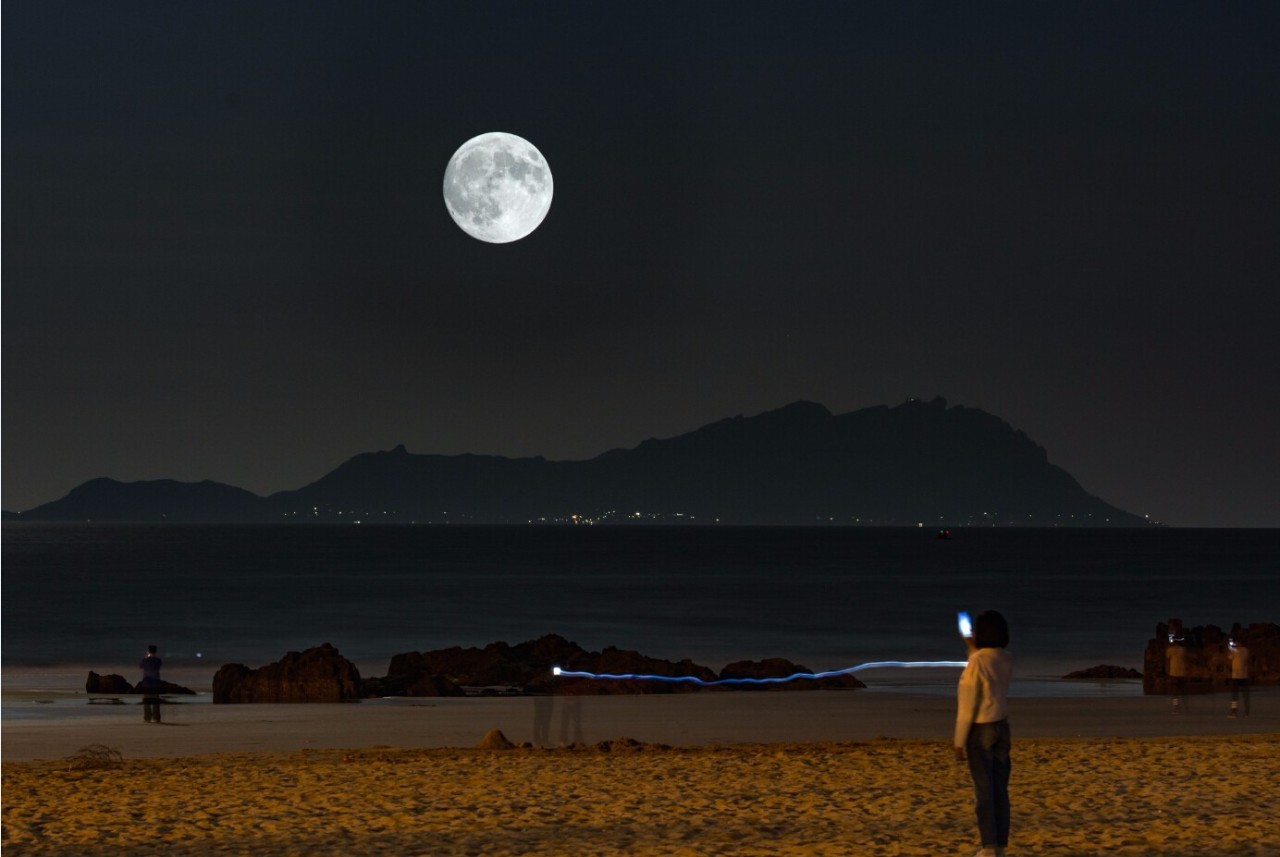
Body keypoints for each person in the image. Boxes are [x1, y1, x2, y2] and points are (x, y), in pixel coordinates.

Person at [955, 610, 1014, 857]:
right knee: (1000, 789)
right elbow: (985, 663)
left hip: (980, 729)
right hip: (1002, 726)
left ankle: (988, 847)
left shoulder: (977, 662)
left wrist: (959, 741)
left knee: (984, 791)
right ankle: (1000, 844)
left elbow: (967, 706)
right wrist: (971, 647)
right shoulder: (1006, 657)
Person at [139, 644, 163, 724]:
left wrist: (146, 657)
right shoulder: (158, 660)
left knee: (147, 701)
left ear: (148, 651)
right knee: (155, 701)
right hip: (155, 682)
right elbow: (159, 666)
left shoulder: (145, 660)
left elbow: (141, 666)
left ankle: (147, 718)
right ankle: (156, 718)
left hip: (147, 682)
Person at [1228, 637, 1251, 717]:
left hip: (1236, 676)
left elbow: (1230, 657)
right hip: (1244, 676)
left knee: (1235, 696)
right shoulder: (1245, 650)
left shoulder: (1235, 650)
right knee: (1245, 696)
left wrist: (1230, 647)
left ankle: (1234, 712)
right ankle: (1246, 712)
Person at [1166, 636, 1189, 714]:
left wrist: (1167, 671)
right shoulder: (1183, 650)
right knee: (1181, 690)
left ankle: (1176, 707)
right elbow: (1186, 659)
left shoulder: (1171, 650)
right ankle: (1183, 707)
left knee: (1174, 691)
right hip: (1182, 672)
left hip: (1173, 672)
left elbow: (1167, 659)